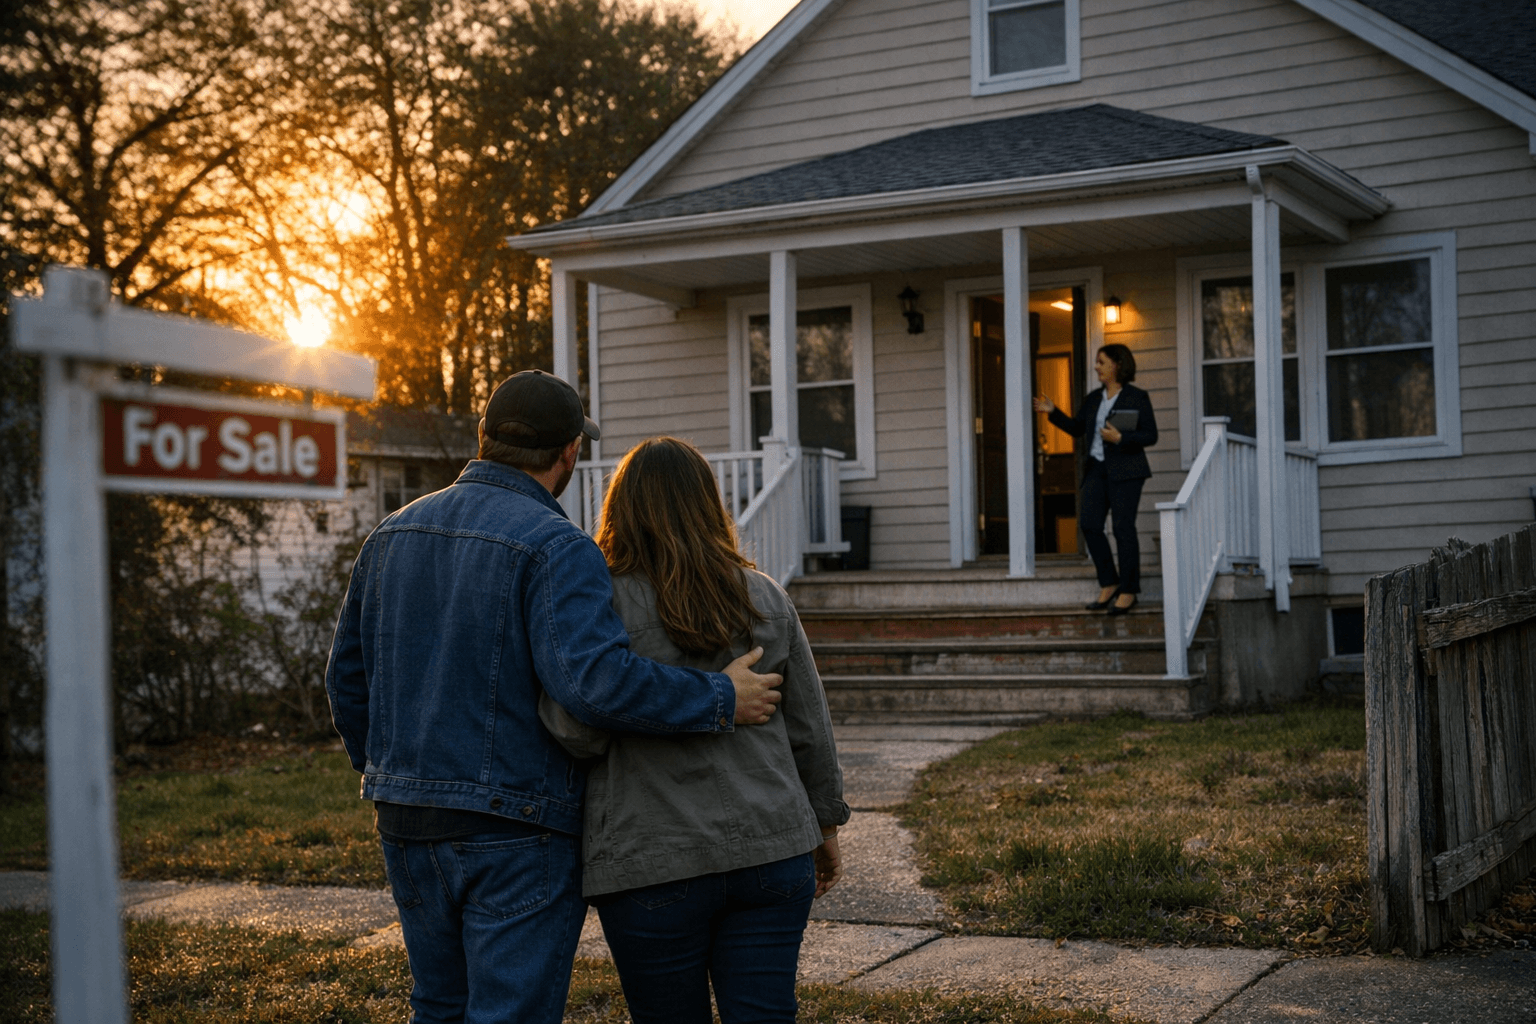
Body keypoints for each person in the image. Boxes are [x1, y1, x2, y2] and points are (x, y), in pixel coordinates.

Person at [325, 371, 785, 1024]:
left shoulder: (389, 535)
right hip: (517, 828)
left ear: (483, 436)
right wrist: (719, 696)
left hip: (405, 820)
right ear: (569, 453)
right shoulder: (556, 546)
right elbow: (595, 685)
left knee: (438, 1007)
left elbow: (346, 680)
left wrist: (392, 773)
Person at [539, 436, 850, 1024]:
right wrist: (826, 825)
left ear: (620, 508)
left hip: (653, 859)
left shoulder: (601, 605)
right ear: (709, 503)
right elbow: (810, 727)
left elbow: (577, 732)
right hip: (773, 846)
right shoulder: (765, 595)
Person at [1033, 343, 1158, 615]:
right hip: (1097, 470)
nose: (1096, 367)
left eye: (1101, 362)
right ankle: (1109, 583)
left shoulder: (1137, 397)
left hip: (1127, 471)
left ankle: (1128, 590)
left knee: (1123, 528)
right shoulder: (1093, 399)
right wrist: (1053, 412)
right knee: (1089, 524)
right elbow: (1077, 428)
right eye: (1097, 362)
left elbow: (1151, 435)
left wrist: (1122, 438)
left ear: (1117, 364)